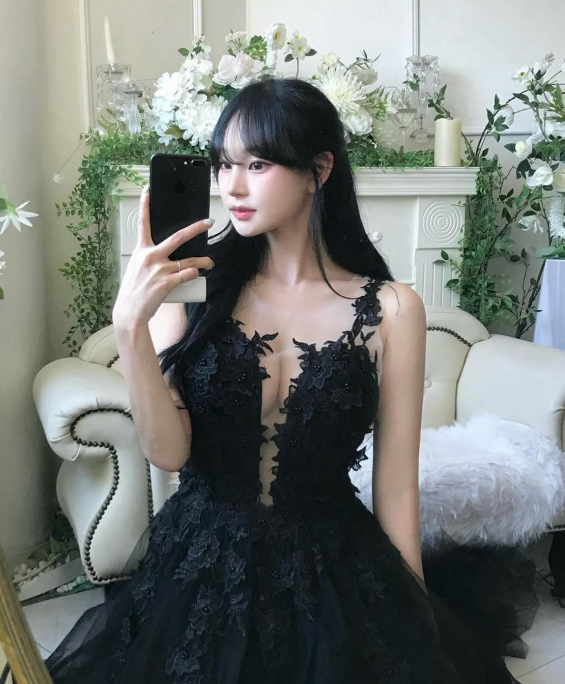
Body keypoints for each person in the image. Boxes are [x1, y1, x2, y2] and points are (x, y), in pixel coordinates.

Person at [46, 78, 530, 683]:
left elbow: (396, 489)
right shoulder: (191, 291)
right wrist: (129, 327)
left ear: (318, 171)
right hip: (204, 565)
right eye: (224, 164)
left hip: (334, 566)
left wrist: (415, 626)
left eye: (257, 164)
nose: (233, 186)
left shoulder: (392, 310)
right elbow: (168, 452)